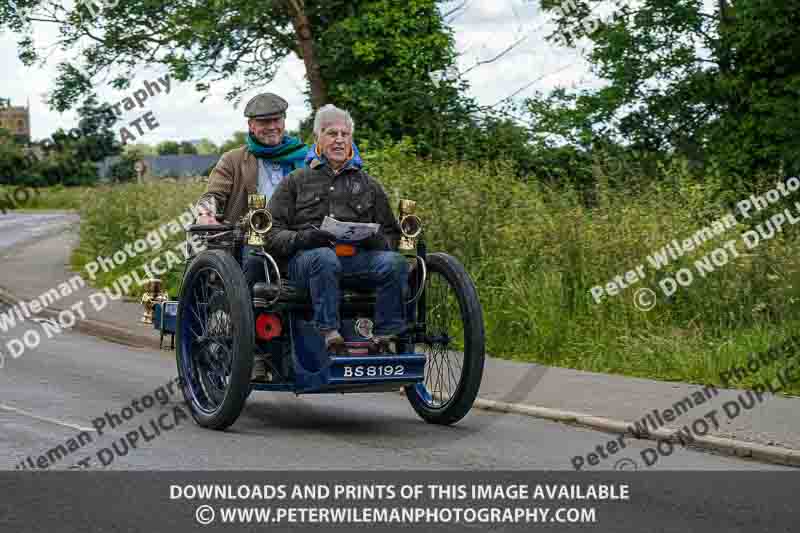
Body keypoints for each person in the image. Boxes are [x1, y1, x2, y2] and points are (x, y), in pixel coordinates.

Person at [264, 104, 407, 356]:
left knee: (394, 262)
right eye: (332, 133)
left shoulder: (369, 185)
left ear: (351, 138)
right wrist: (304, 238)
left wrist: (377, 241)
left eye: (345, 134)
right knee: (325, 257)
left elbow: (392, 234)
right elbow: (271, 233)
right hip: (306, 263)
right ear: (318, 137)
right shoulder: (296, 181)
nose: (339, 140)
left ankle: (384, 336)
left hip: (355, 261)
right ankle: (330, 334)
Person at [195, 92, 307, 380]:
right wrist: (206, 214)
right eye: (264, 122)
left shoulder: (305, 159)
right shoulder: (234, 160)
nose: (271, 126)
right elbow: (212, 195)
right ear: (251, 126)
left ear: (284, 122)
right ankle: (251, 346)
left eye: (276, 120)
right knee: (255, 259)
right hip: (246, 241)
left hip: (295, 239)